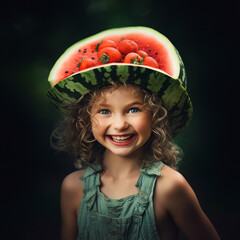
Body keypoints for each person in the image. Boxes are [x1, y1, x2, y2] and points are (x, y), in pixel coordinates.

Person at [48, 27, 220, 240]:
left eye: (133, 109)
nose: (119, 125)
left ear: (156, 115)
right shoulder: (73, 188)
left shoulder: (171, 187)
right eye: (104, 111)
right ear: (85, 120)